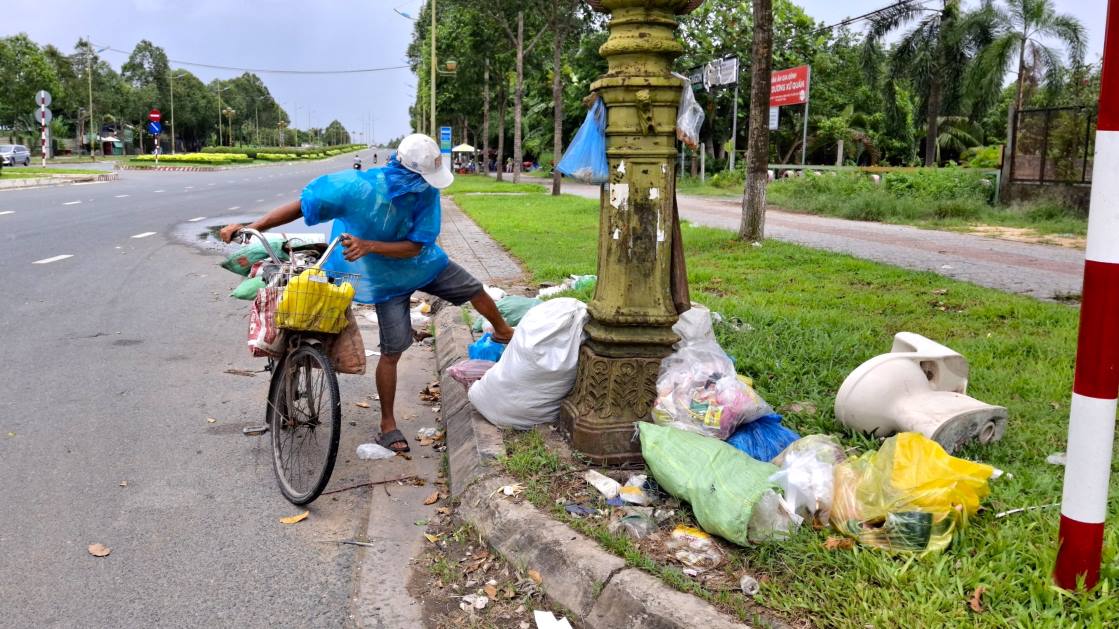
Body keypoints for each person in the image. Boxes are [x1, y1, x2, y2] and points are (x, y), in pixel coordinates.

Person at [221, 133, 514, 454]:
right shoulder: (357, 187)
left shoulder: (426, 192)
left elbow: (417, 245)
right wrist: (255, 226)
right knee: (392, 350)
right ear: (405, 172)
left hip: (421, 263)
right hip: (381, 281)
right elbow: (304, 207)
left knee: (473, 288)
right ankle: (388, 425)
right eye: (422, 180)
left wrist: (369, 245)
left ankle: (503, 332)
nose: (426, 186)